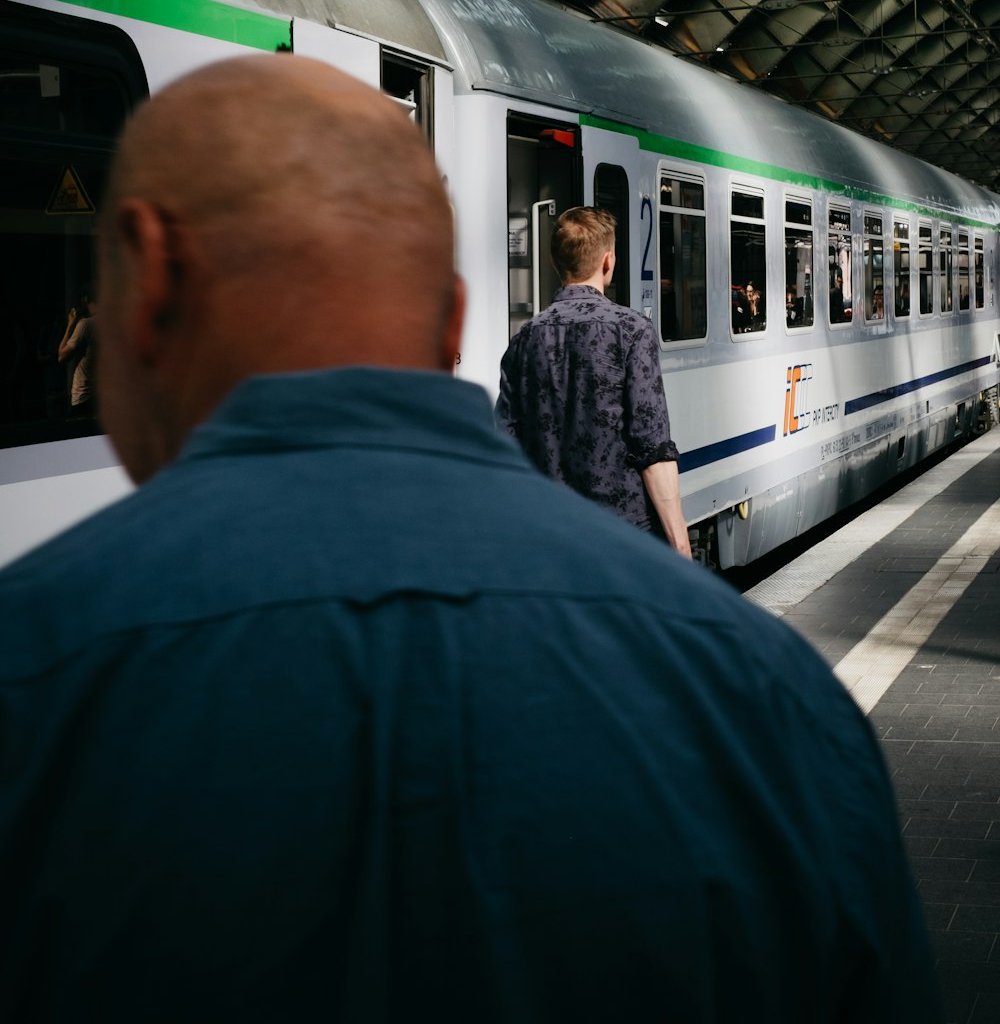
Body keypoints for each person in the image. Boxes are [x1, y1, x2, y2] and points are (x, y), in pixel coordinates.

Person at [0, 56, 940, 1024]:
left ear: (146, 279)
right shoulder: (765, 700)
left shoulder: (33, 677)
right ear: (450, 323)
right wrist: (674, 553)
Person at [495, 207, 692, 556]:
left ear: (556, 263)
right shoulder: (631, 332)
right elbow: (651, 448)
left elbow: (506, 443)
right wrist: (679, 543)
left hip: (550, 537)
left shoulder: (524, 340)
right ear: (607, 262)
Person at [57, 288, 97, 415]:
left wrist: (70, 325)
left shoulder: (85, 324)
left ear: (85, 299)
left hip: (85, 396)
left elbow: (62, 356)